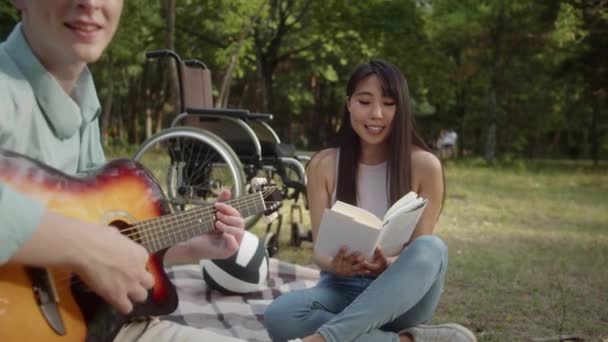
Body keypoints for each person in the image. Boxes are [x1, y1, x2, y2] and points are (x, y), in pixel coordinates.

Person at [0, 1, 247, 341]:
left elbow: (102, 239)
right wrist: (84, 245)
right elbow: (91, 243)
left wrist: (185, 246)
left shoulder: (84, 95)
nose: (90, 3)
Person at [263, 60, 476, 342]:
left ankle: (324, 339)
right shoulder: (323, 165)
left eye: (388, 103)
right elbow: (319, 253)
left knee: (432, 247)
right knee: (279, 316)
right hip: (341, 288)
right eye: (365, 101)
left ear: (401, 109)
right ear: (349, 104)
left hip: (401, 296)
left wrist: (389, 263)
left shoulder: (425, 166)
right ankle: (404, 340)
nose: (376, 114)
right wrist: (335, 265)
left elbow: (420, 255)